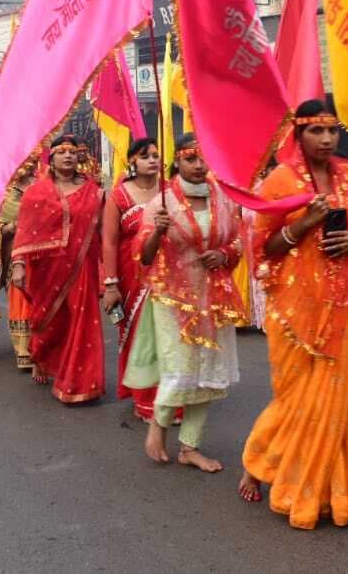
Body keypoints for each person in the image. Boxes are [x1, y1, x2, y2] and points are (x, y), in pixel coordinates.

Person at [239, 100, 348, 530]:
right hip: (301, 312)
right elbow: (264, 248)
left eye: (332, 131)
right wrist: (304, 224)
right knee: (301, 401)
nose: (326, 139)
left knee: (344, 405)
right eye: (316, 131)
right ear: (297, 135)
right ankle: (259, 464)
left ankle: (345, 496)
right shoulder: (280, 183)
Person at [124, 135, 241, 471]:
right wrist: (158, 232)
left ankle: (190, 447)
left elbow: (237, 241)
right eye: (191, 159)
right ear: (177, 162)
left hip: (214, 295)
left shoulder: (221, 197)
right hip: (172, 298)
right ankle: (157, 429)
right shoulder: (162, 203)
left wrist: (223, 254)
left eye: (204, 159)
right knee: (180, 369)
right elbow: (143, 257)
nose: (200, 165)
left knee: (208, 373)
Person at [10, 135, 105, 403]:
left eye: (72, 152)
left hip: (81, 266)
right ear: (50, 159)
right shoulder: (36, 192)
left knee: (82, 322)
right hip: (45, 268)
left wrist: (107, 273)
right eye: (61, 152)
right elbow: (25, 232)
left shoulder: (94, 192)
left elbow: (101, 232)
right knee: (49, 320)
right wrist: (18, 265)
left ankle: (79, 383)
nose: (67, 156)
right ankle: (41, 357)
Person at [100, 137, 163, 421]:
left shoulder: (170, 192)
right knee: (141, 336)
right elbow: (110, 242)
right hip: (131, 277)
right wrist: (110, 284)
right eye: (145, 156)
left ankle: (171, 396)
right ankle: (145, 398)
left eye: (156, 155)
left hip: (168, 276)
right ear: (132, 162)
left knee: (168, 335)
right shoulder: (119, 196)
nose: (153, 160)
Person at [1, 156, 38, 369]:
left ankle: (42, 346)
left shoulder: (42, 186)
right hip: (15, 252)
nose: (28, 165)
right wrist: (16, 226)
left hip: (41, 251)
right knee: (20, 298)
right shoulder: (5, 193)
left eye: (31, 161)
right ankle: (23, 349)